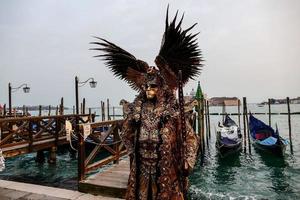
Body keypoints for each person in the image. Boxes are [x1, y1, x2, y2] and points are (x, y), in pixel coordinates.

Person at [91, 6, 203, 200]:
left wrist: (188, 160)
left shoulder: (173, 110)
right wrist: (134, 147)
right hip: (142, 168)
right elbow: (126, 133)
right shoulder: (137, 109)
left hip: (167, 169)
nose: (149, 89)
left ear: (160, 87)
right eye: (147, 86)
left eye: (153, 86)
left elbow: (190, 138)